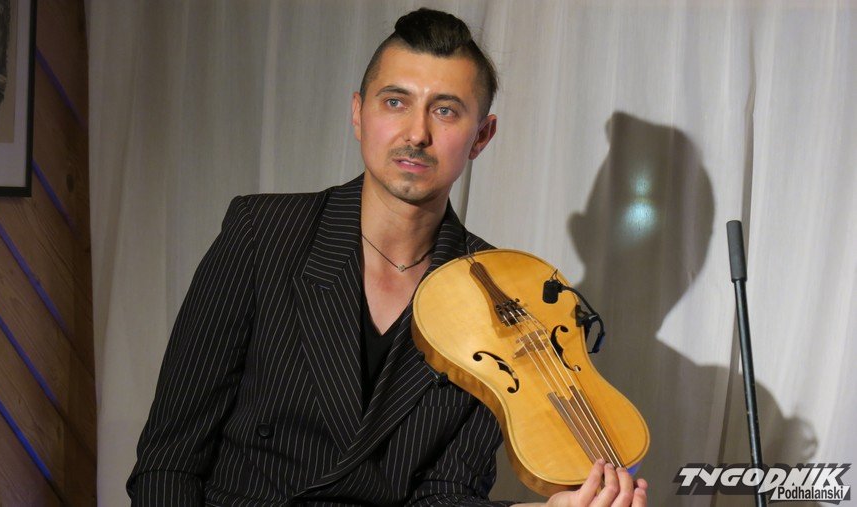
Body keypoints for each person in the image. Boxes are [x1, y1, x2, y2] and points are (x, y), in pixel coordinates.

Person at [128, 8, 647, 506]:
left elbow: (446, 493)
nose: (416, 134)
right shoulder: (263, 232)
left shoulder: (505, 292)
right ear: (359, 114)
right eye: (395, 102)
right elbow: (169, 458)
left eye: (445, 110)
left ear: (482, 136)